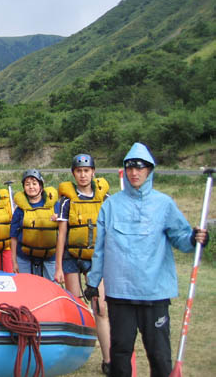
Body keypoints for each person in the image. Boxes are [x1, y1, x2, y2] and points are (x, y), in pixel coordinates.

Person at [86, 142, 209, 377]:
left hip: (155, 293)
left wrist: (194, 239)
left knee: (160, 355)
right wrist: (93, 282)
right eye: (130, 168)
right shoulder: (110, 206)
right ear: (125, 170)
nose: (134, 173)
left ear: (149, 170)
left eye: (140, 168)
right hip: (120, 293)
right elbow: (100, 249)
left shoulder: (164, 204)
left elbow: (181, 238)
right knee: (120, 353)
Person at [54, 154, 111, 375]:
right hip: (70, 257)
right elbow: (61, 234)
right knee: (76, 305)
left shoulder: (105, 198)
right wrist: (58, 266)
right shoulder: (66, 201)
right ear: (73, 174)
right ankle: (77, 353)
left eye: (87, 170)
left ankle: (108, 359)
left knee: (101, 307)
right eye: (79, 171)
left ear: (94, 172)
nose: (83, 174)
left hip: (95, 258)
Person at [11, 169, 59, 281]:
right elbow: (13, 237)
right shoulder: (20, 210)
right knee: (27, 290)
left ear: (41, 186)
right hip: (24, 257)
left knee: (51, 289)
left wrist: (59, 219)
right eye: (27, 184)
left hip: (50, 256)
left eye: (34, 183)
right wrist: (14, 262)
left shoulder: (55, 206)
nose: (31, 187)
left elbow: (64, 232)